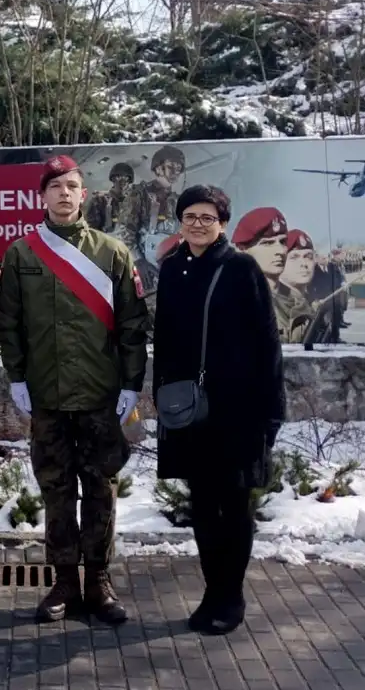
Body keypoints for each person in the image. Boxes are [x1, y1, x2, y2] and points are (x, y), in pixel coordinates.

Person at [0, 155, 149, 625]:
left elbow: (132, 325)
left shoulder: (112, 252)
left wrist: (131, 384)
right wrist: (16, 376)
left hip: (100, 395)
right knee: (56, 489)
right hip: (47, 396)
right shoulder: (22, 254)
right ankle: (64, 581)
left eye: (72, 186)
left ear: (84, 194)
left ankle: (99, 580)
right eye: (55, 186)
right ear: (42, 195)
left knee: (101, 489)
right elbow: (10, 324)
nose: (64, 193)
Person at [153, 185, 284, 635]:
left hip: (238, 411)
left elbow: (269, 344)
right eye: (190, 216)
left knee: (234, 504)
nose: (198, 224)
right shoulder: (172, 269)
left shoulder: (242, 269)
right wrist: (163, 401)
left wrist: (271, 413)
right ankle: (212, 591)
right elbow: (165, 340)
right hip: (191, 411)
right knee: (204, 505)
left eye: (207, 217)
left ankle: (232, 596)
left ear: (223, 223)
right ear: (180, 221)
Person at [231, 207, 313, 343]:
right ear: (242, 250)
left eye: (282, 242)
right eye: (267, 243)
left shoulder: (297, 300)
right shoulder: (234, 301)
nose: (280, 251)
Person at [116, 147, 186, 303]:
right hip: (145, 269)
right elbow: (124, 230)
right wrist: (137, 260)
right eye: (171, 167)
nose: (175, 172)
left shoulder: (176, 199)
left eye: (179, 168)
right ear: (158, 168)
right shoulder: (139, 194)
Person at [85, 162, 134, 234]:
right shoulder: (99, 201)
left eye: (126, 178)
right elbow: (92, 231)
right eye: (118, 177)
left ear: (129, 181)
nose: (122, 181)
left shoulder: (134, 202)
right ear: (113, 179)